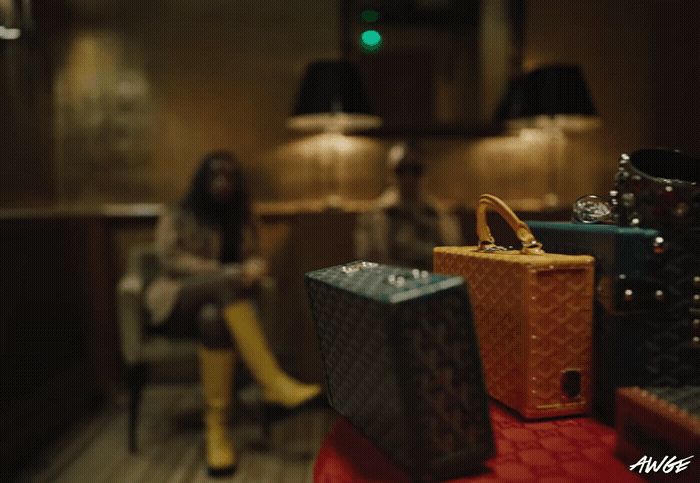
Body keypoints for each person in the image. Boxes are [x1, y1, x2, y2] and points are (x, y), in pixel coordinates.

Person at [145, 151, 321, 476]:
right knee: (223, 285)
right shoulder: (179, 212)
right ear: (203, 179)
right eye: (215, 175)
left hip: (217, 312)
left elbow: (256, 258)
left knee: (214, 319)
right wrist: (221, 271)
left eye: (229, 176)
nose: (222, 182)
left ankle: (218, 433)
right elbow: (168, 257)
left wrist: (252, 269)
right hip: (176, 302)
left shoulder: (242, 217)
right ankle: (272, 382)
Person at [355, 142, 462, 270]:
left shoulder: (440, 215)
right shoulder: (374, 215)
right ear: (391, 174)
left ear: (425, 173)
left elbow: (453, 256)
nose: (409, 178)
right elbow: (368, 258)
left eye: (416, 170)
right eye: (402, 170)